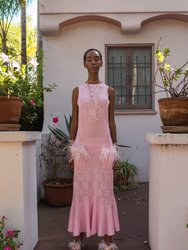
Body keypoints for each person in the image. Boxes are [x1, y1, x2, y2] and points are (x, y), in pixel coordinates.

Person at [68, 48, 120, 250]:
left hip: (103, 149)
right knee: (82, 192)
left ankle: (107, 240)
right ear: (84, 63)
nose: (93, 62)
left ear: (101, 62)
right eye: (89, 59)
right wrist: (72, 148)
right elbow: (74, 120)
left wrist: (114, 149)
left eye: (96, 59)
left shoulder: (109, 90)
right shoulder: (77, 90)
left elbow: (111, 121)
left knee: (104, 191)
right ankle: (78, 238)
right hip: (83, 148)